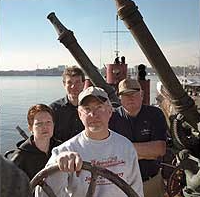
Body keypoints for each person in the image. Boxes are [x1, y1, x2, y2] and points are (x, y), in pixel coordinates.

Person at [35, 86, 144, 197]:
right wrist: (58, 166)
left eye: (99, 107)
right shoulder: (64, 151)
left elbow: (136, 191)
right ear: (80, 114)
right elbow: (42, 194)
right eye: (87, 109)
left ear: (110, 111)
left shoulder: (126, 147)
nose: (93, 115)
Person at [109, 78, 167, 197]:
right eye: (125, 94)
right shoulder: (112, 117)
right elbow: (109, 151)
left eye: (134, 93)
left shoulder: (155, 114)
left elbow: (159, 149)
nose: (130, 98)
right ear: (119, 97)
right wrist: (147, 153)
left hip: (151, 182)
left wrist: (123, 151)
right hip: (121, 184)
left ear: (141, 94)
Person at [11, 104, 61, 180]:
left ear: (53, 125)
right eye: (39, 124)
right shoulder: (20, 157)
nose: (45, 127)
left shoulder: (61, 148)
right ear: (31, 128)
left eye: (48, 122)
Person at [50, 66, 85, 142]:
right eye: (69, 82)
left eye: (77, 82)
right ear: (64, 84)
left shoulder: (91, 109)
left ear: (83, 84)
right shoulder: (54, 109)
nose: (73, 86)